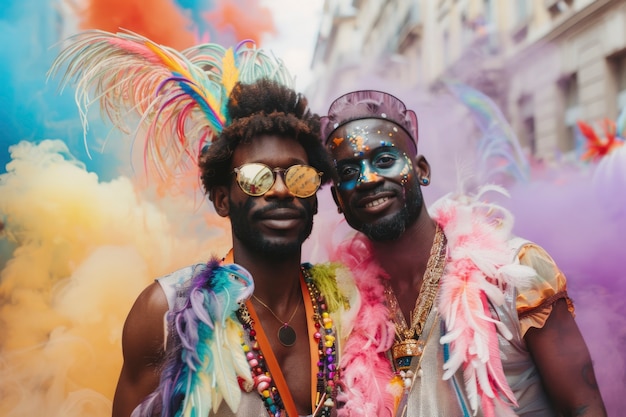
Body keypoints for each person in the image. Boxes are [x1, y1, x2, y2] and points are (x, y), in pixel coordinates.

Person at [50, 30, 353, 417]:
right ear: (223, 200)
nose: (280, 190)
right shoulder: (165, 313)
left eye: (299, 176)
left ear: (314, 197)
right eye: (257, 178)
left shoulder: (348, 303)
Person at [320, 90, 607, 417]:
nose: (368, 179)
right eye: (347, 173)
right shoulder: (342, 308)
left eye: (385, 160)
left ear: (421, 170)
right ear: (338, 201)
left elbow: (583, 406)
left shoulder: (513, 271)